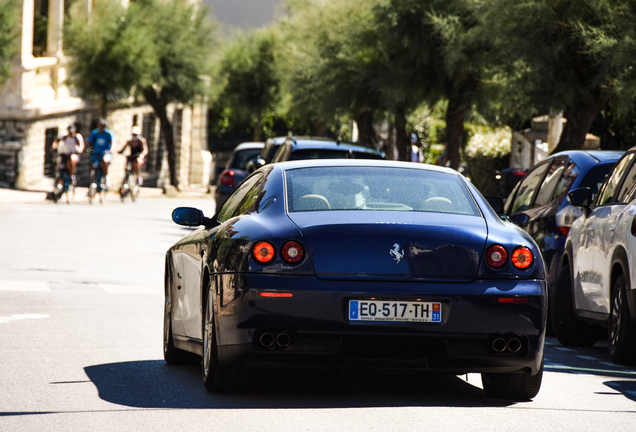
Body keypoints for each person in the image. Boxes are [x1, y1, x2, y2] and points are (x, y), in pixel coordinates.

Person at [87, 118, 115, 188]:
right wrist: (87, 148)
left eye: (102, 125)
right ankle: (92, 183)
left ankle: (106, 176)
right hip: (96, 153)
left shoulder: (108, 133)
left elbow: (113, 143)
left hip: (105, 153)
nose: (100, 127)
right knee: (92, 166)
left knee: (105, 161)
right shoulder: (95, 133)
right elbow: (89, 142)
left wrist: (111, 150)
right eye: (99, 125)